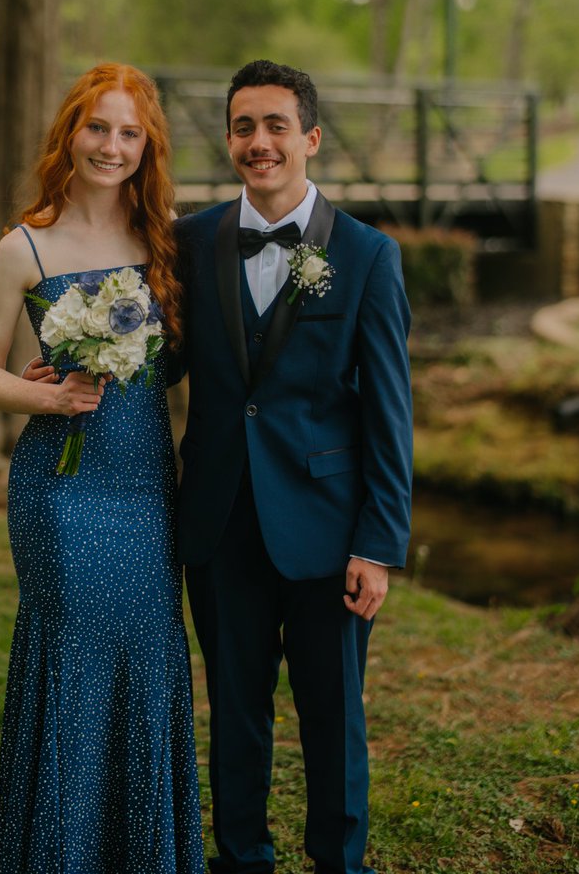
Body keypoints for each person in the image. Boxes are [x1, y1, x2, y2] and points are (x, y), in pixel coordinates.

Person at [175, 59, 413, 874]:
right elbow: (164, 362)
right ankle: (241, 858)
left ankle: (338, 863)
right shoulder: (191, 242)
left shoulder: (369, 255)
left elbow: (389, 412)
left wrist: (378, 543)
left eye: (276, 125)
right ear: (228, 140)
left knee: (332, 715)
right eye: (243, 126)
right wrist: (82, 360)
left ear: (311, 137)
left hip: (330, 531)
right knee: (235, 712)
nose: (260, 142)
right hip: (219, 521)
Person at [0, 62, 204, 874]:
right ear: (70, 132)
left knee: (147, 653)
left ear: (147, 146)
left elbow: (176, 364)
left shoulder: (163, 238)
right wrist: (48, 397)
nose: (111, 146)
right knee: (75, 659)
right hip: (61, 493)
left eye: (129, 133)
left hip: (146, 486)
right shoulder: (24, 245)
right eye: (97, 127)